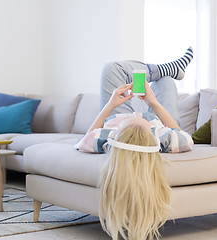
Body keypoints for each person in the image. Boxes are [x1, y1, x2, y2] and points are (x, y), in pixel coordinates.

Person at [74, 47, 194, 240]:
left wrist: (110, 105)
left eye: (130, 125)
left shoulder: (108, 138)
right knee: (165, 81)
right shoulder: (162, 137)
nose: (137, 120)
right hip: (158, 118)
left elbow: (81, 141)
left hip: (119, 112)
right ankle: (171, 69)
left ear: (118, 135)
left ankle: (171, 68)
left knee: (111, 68)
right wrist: (154, 104)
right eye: (142, 127)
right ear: (150, 136)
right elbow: (184, 136)